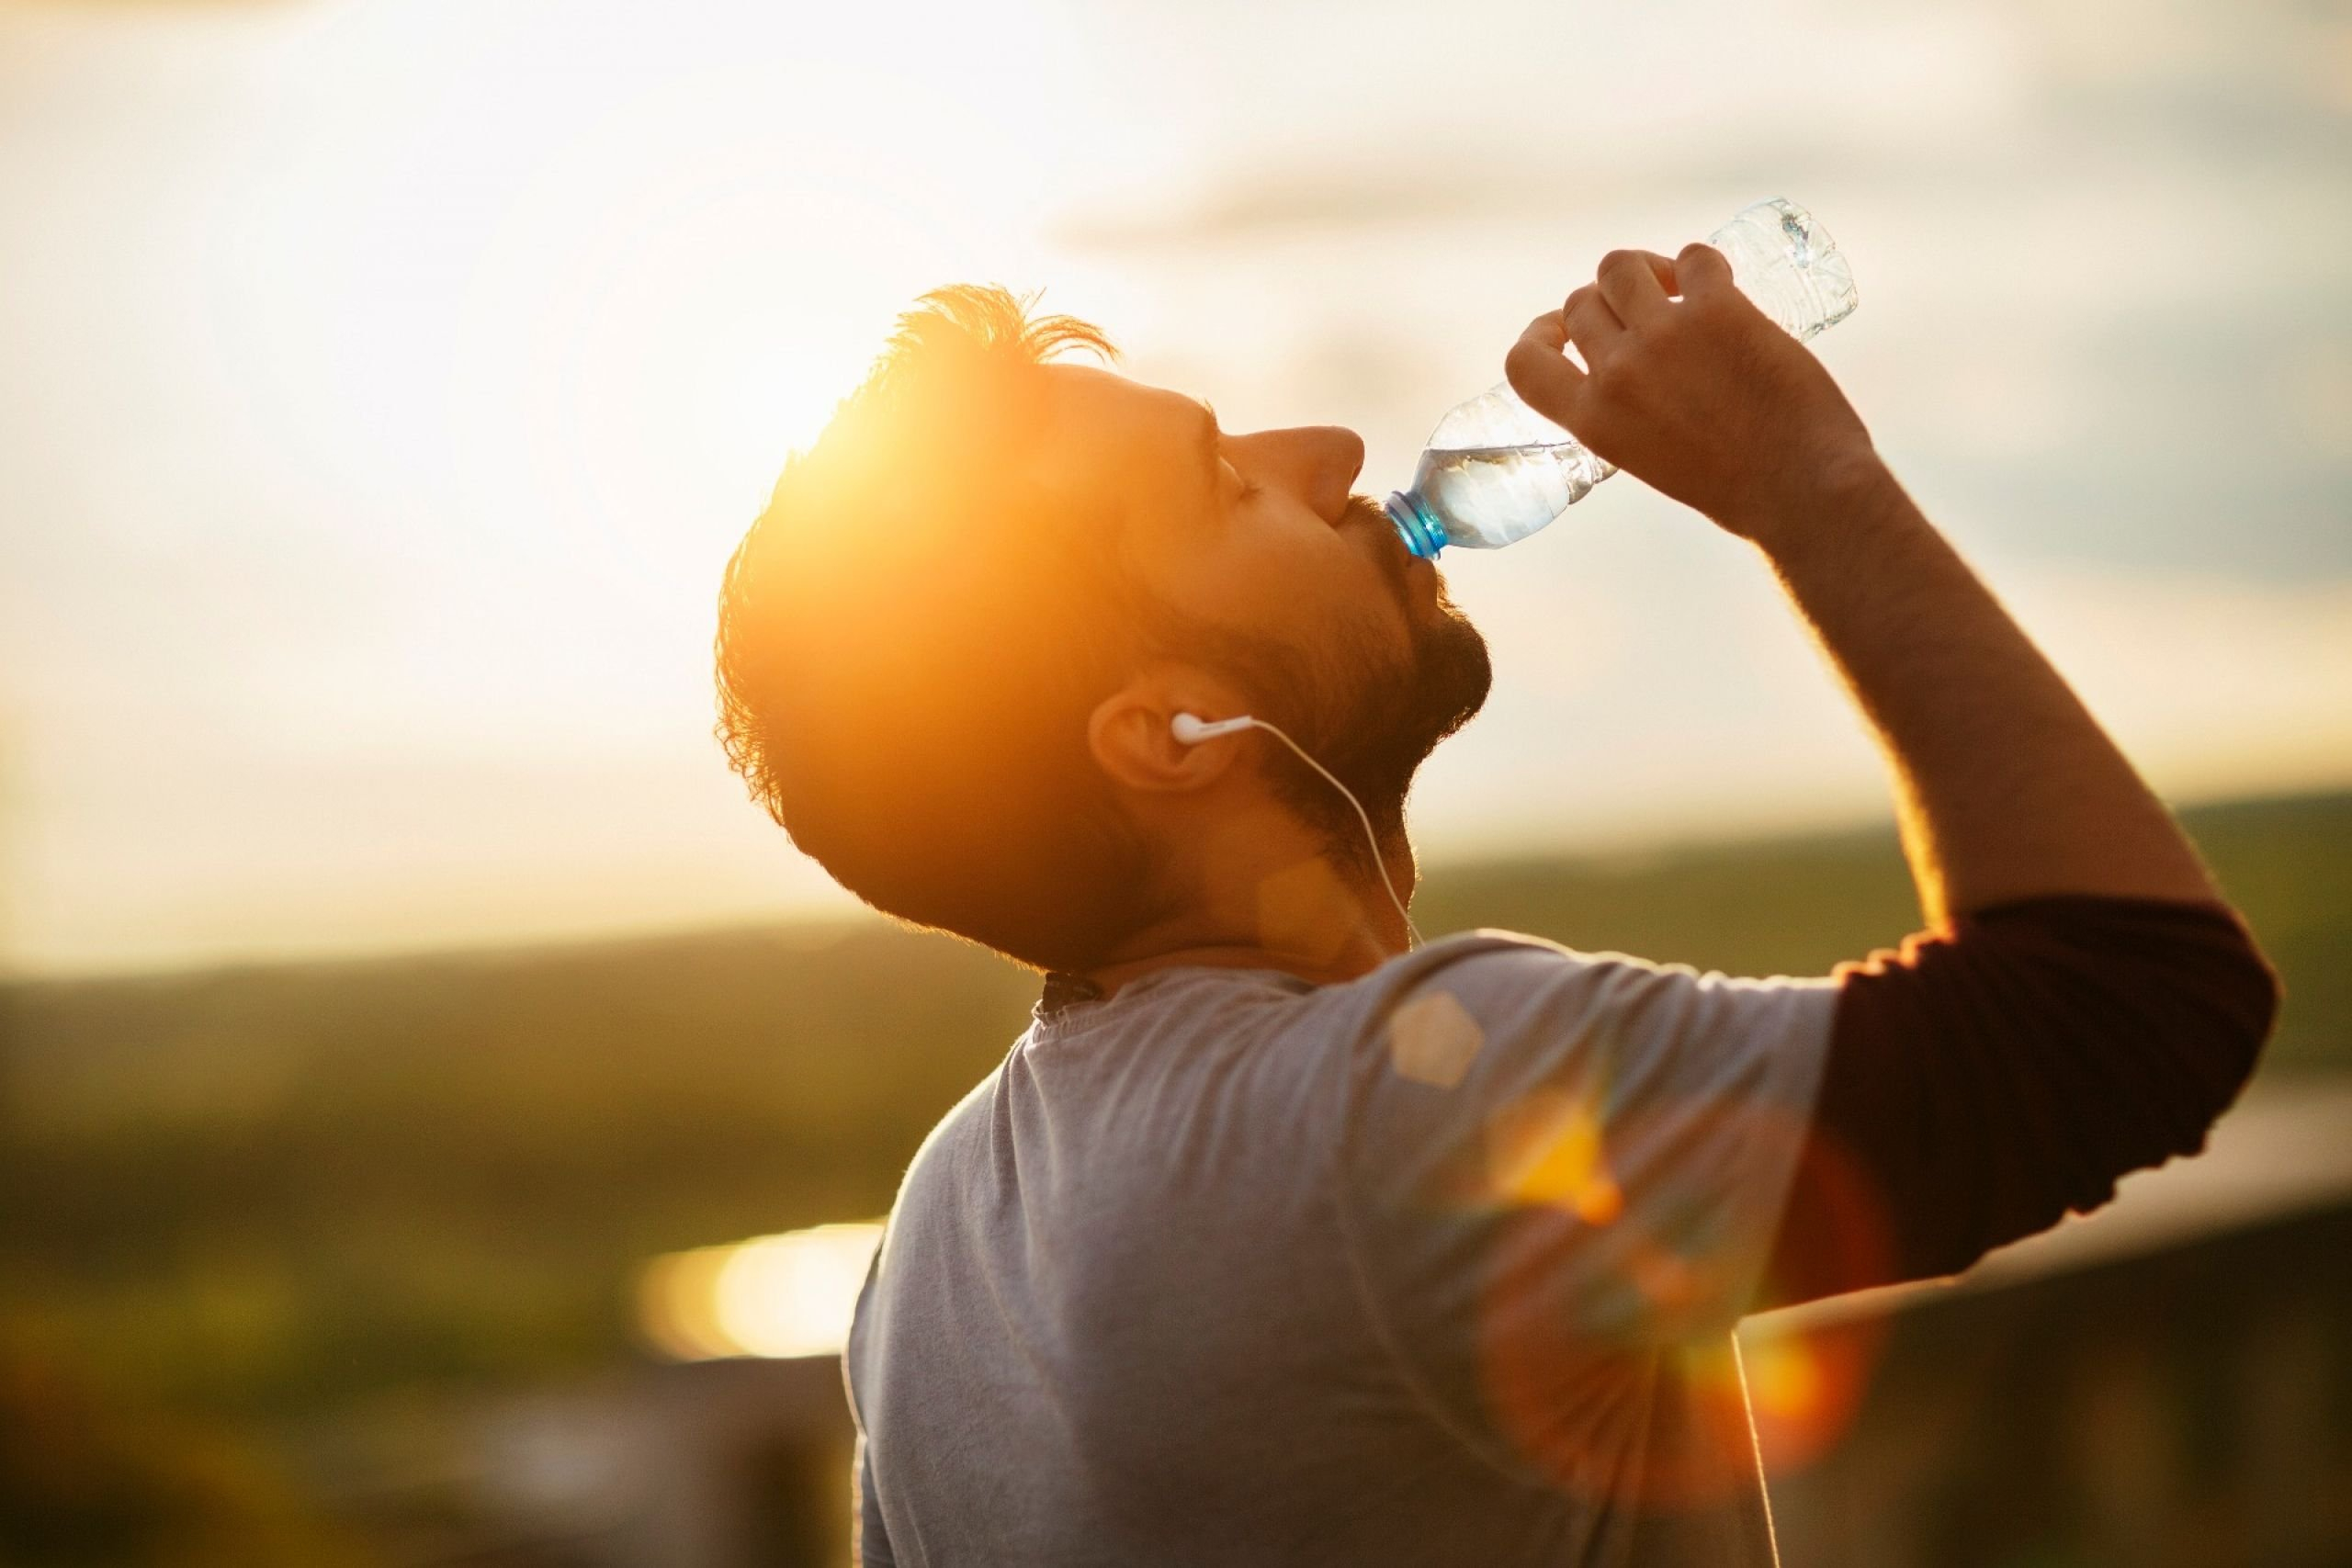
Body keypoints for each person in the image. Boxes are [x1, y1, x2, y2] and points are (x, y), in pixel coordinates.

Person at [712, 247, 2278, 1565]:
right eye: (1222, 482)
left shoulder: (929, 1254)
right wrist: (1810, 484)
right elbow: (2125, 1008)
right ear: (1163, 735)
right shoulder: (1394, 1111)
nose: (1326, 448)